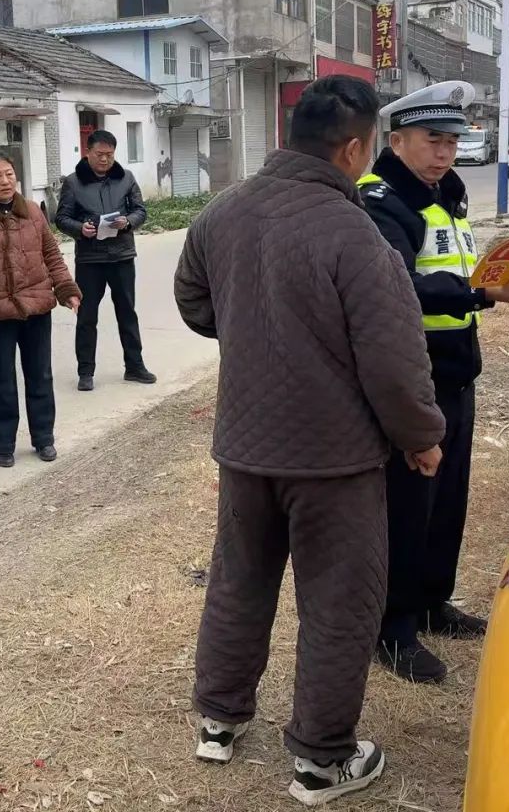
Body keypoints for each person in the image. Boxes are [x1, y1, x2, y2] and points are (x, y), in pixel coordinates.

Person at [174, 76, 445, 807]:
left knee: (238, 580)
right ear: (353, 149)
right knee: (339, 603)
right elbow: (393, 359)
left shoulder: (222, 211)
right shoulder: (354, 232)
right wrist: (422, 436)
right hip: (334, 458)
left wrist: (255, 328)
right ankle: (323, 760)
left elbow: (193, 299)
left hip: (246, 444)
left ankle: (219, 720)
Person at [358, 82, 509, 684]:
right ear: (397, 141)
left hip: (457, 369)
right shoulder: (380, 201)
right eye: (432, 140)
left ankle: (433, 602)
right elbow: (398, 288)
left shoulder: (446, 194)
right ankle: (393, 628)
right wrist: (483, 294)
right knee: (408, 506)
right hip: (413, 375)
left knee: (447, 501)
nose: (444, 153)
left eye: (452, 142)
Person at [0, 152, 82, 468]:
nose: (5, 181)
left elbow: (52, 255)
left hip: (36, 307)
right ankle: (3, 444)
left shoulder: (33, 212)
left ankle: (43, 438)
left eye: (9, 174)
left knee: (40, 376)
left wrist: (66, 289)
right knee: (0, 381)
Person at [56, 130, 155, 392]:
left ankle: (135, 366)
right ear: (88, 152)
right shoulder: (73, 182)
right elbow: (61, 218)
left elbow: (140, 210)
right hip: (90, 259)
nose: (104, 159)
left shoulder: (126, 178)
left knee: (127, 312)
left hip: (122, 255)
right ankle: (85, 371)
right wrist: (80, 229)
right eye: (99, 154)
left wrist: (128, 222)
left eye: (109, 155)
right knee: (86, 316)